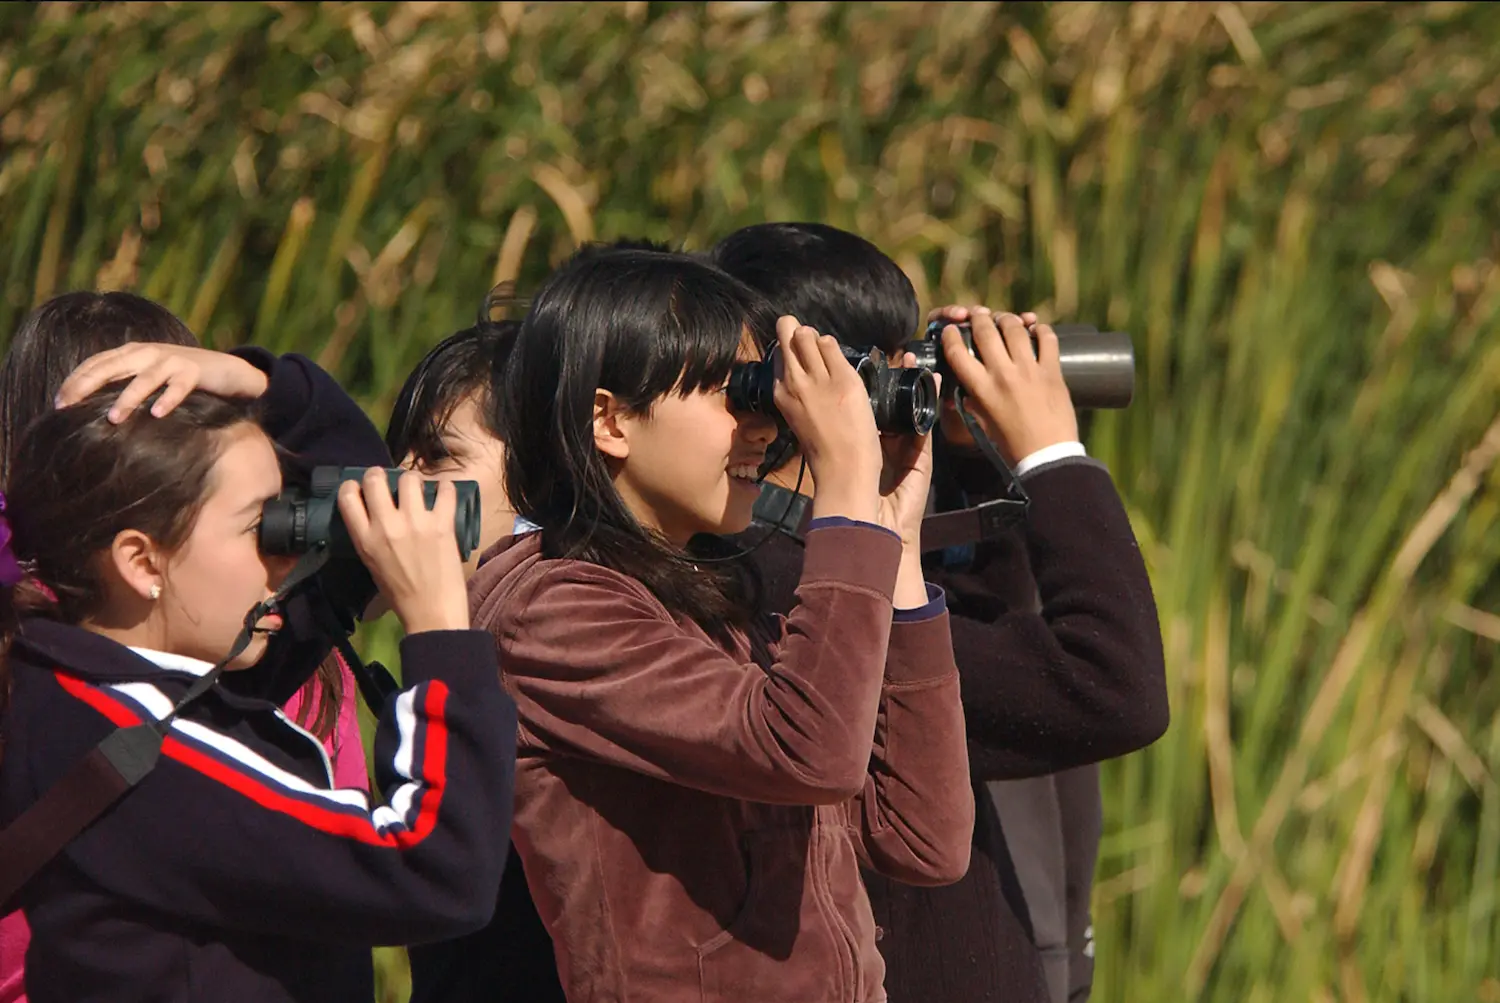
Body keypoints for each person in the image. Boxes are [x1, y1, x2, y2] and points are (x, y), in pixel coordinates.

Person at [471, 245, 974, 1003]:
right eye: (731, 394)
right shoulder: (548, 610)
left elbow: (922, 836)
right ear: (608, 418)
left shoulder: (712, 593)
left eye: (760, 395)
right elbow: (808, 753)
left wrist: (892, 541)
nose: (761, 429)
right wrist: (840, 485)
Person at [711, 222, 1169, 1003]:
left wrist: (960, 455)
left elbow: (980, 651)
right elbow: (1107, 686)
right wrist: (1050, 453)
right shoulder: (797, 593)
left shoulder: (789, 565)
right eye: (905, 376)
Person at [0, 339, 517, 1003]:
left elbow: (352, 504)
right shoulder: (146, 760)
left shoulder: (93, 679)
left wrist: (257, 383)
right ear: (142, 561)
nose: (285, 556)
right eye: (259, 526)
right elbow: (436, 869)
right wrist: (442, 631)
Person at [0, 292, 368, 1003]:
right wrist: (264, 384)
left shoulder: (227, 636)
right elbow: (423, 867)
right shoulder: (255, 649)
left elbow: (363, 505)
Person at [384, 317, 567, 1003]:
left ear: (541, 477)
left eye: (435, 458)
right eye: (396, 456)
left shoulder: (550, 639)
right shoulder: (461, 629)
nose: (399, 484)